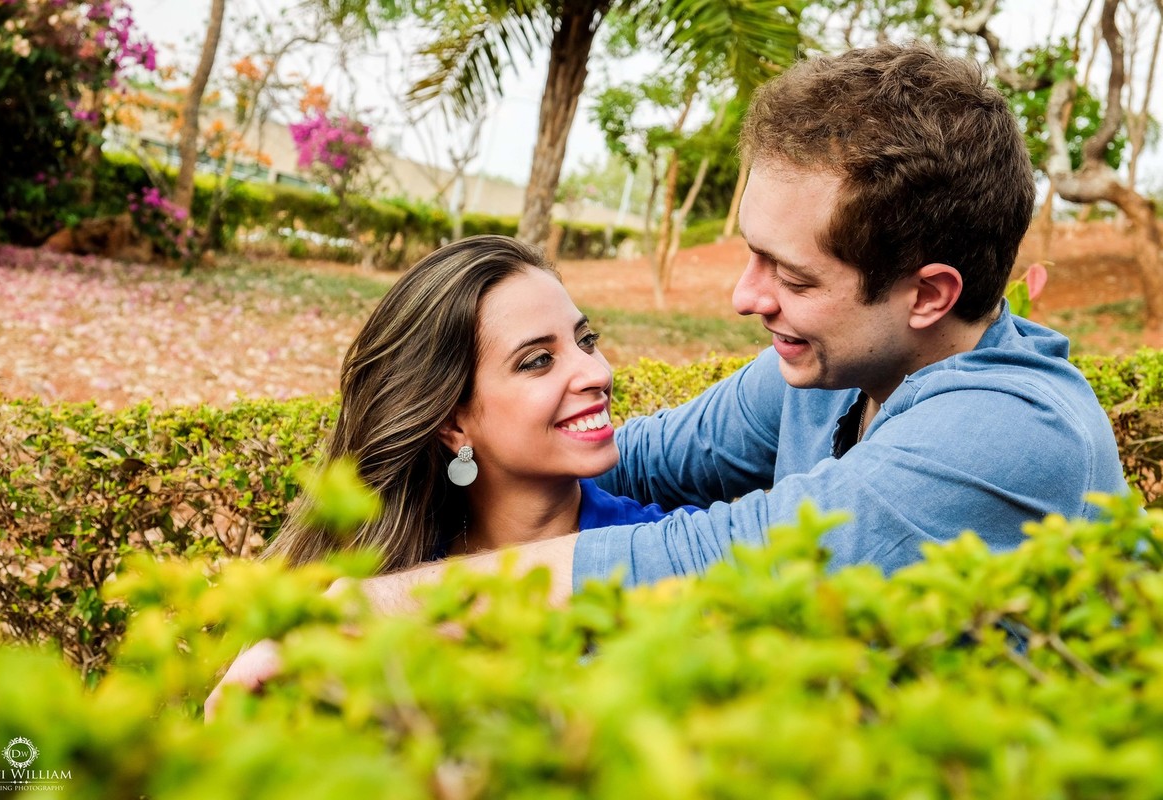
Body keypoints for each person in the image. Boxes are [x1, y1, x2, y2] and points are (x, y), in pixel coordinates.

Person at [209, 42, 1128, 704]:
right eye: (753, 254)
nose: (744, 295)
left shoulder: (1012, 434)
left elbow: (714, 562)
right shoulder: (843, 367)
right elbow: (634, 453)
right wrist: (452, 454)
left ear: (929, 293)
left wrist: (376, 609)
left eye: (792, 275)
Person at [265, 233, 691, 572]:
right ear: (453, 425)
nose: (598, 374)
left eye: (587, 340)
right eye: (538, 360)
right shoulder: (380, 574)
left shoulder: (672, 560)